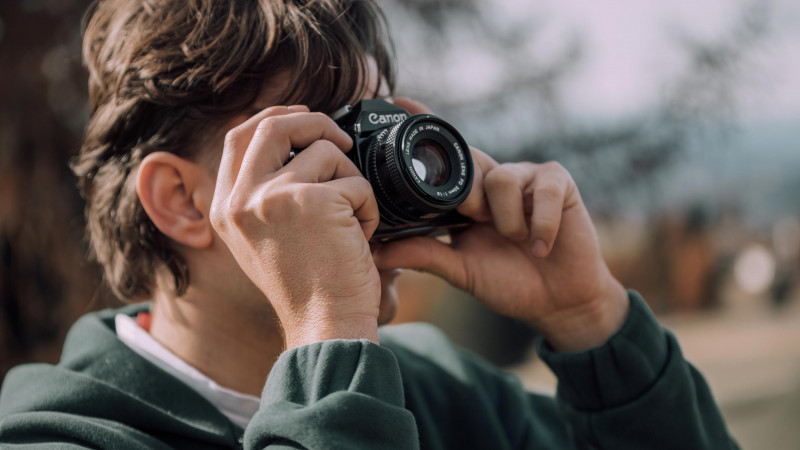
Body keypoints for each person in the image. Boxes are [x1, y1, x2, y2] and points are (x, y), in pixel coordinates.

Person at [0, 0, 738, 448]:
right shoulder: (58, 441)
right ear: (182, 201)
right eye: (315, 149)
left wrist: (594, 322)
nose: (364, 191)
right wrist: (329, 329)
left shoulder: (444, 393)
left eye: (370, 132)